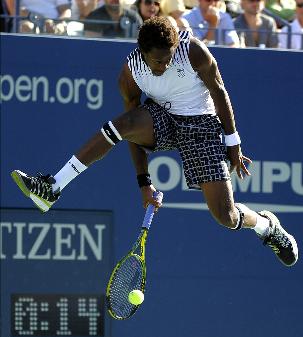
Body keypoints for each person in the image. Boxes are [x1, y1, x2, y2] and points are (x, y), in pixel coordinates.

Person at [11, 17, 298, 268]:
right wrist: (143, 181)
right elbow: (132, 131)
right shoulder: (131, 73)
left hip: (203, 125)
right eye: (157, 61)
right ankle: (53, 186)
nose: (165, 64)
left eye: (169, 57)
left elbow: (219, 92)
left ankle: (266, 226)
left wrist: (233, 142)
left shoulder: (194, 51)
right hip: (163, 118)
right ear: (142, 54)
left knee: (225, 215)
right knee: (121, 125)